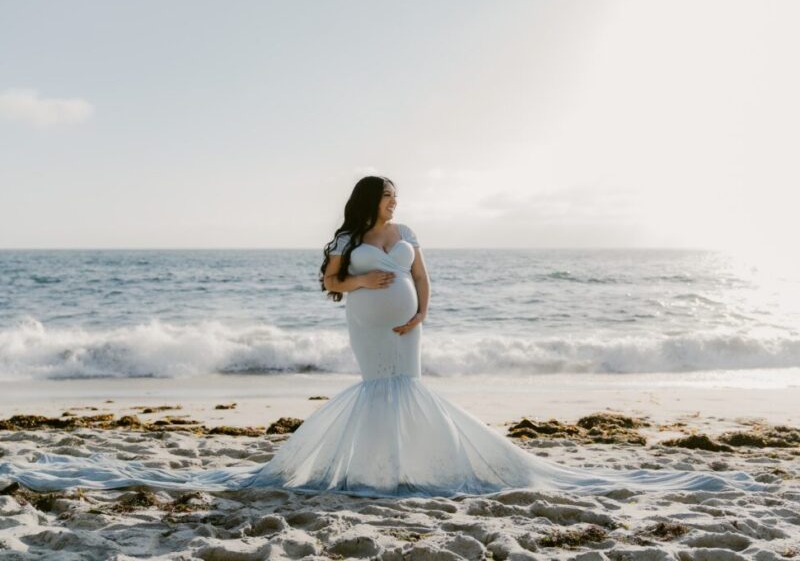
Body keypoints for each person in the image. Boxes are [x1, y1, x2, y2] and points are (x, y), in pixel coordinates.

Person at [0, 176, 764, 498]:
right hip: (368, 322)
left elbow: (425, 276)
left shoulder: (408, 232)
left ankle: (411, 464)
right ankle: (374, 466)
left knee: (411, 384)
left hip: (404, 324)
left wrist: (420, 308)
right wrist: (359, 284)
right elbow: (327, 284)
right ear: (370, 201)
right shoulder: (344, 237)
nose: (398, 203)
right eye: (390, 195)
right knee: (379, 389)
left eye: (399, 195)